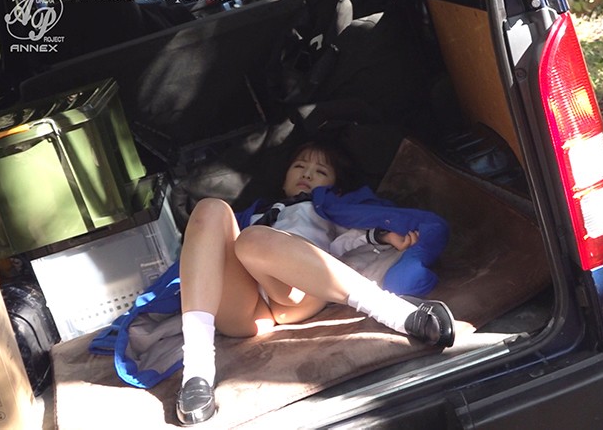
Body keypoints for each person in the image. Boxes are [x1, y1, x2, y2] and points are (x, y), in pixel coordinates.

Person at [176, 140, 455, 425]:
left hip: (296, 293)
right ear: (283, 180)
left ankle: (395, 313)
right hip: (248, 310)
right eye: (299, 166)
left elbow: (344, 244)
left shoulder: (325, 208)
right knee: (210, 208)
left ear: (335, 187)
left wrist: (381, 236)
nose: (307, 174)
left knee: (252, 240)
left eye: (320, 171)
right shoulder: (252, 215)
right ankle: (196, 372)